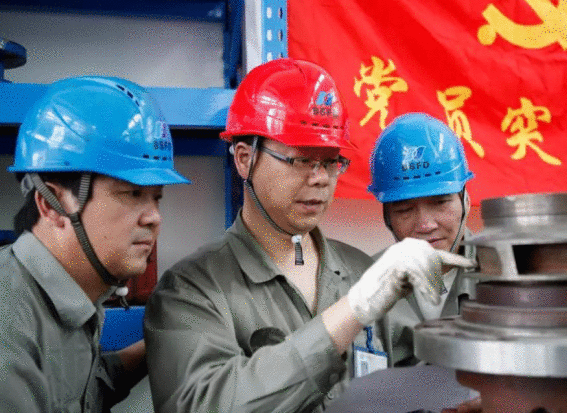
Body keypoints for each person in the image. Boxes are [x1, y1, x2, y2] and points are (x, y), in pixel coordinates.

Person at [143, 58, 475, 413]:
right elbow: (202, 404)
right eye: (301, 159)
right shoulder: (191, 291)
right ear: (244, 159)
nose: (320, 178)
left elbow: (416, 386)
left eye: (330, 161)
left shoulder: (363, 272)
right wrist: (350, 313)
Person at [0, 76, 189, 412]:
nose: (154, 217)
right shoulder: (9, 323)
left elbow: (78, 393)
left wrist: (166, 343)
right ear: (52, 204)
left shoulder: (72, 292)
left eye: (156, 197)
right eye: (132, 193)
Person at [368, 112, 476, 366]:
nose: (426, 225)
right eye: (405, 210)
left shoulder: (506, 277)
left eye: (440, 203)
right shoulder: (365, 282)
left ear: (465, 201)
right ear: (387, 216)